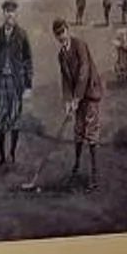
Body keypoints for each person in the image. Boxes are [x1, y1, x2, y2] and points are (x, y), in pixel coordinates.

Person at [52, 16, 104, 189]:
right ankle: (77, 165)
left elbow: (84, 72)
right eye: (57, 34)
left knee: (91, 132)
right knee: (78, 130)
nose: (61, 36)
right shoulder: (61, 55)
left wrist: (77, 97)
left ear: (68, 29)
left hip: (90, 93)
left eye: (63, 32)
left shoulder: (79, 45)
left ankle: (95, 176)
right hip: (77, 97)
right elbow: (65, 80)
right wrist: (68, 101)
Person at [0, 0, 35, 170]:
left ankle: (12, 153)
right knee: (0, 118)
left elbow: (28, 60)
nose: (10, 14)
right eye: (7, 11)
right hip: (1, 81)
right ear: (3, 14)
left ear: (16, 14)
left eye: (12, 11)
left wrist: (28, 86)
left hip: (16, 83)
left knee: (15, 118)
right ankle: (1, 156)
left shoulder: (22, 35)